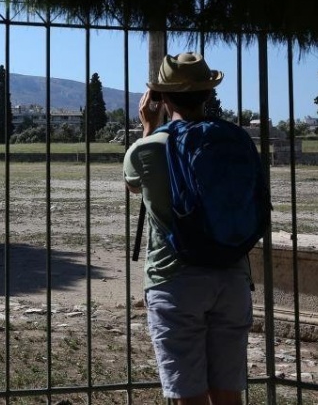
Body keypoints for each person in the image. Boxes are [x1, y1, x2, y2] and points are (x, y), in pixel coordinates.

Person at [123, 52, 253, 405]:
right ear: (208, 94)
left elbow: (134, 185)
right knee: (229, 395)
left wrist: (148, 127)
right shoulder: (237, 140)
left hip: (175, 280)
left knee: (189, 396)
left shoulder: (147, 149)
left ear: (162, 98)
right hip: (232, 276)